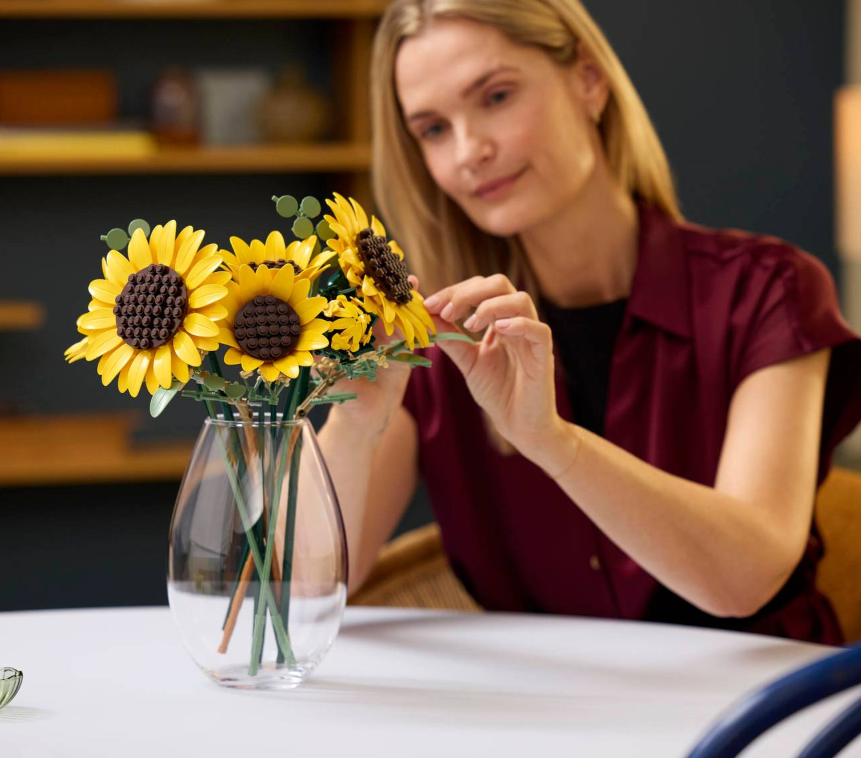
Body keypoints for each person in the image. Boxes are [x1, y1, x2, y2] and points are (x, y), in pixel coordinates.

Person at [318, 0, 861, 644]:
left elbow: (748, 577)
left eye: (495, 96)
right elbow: (290, 596)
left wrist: (552, 440)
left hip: (762, 724)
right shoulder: (434, 343)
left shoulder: (766, 292)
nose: (470, 150)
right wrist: (353, 426)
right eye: (433, 129)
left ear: (589, 81)